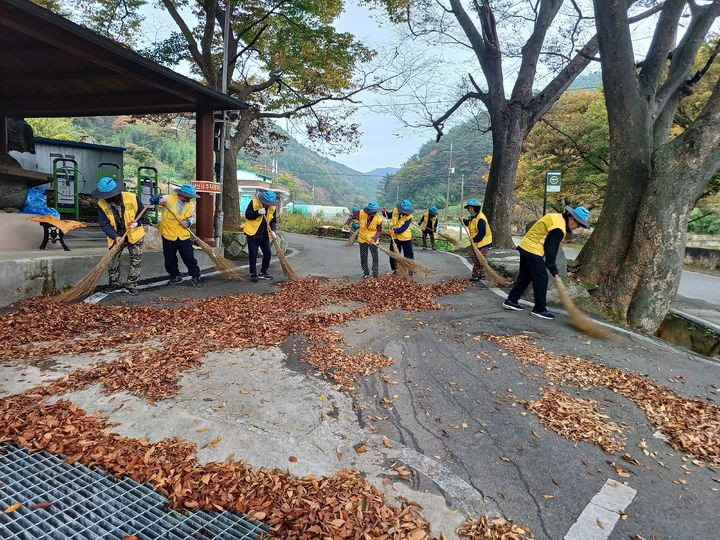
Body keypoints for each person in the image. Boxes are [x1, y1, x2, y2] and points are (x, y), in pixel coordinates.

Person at [503, 206, 591, 320]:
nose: (577, 228)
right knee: (542, 279)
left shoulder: (556, 217)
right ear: (572, 219)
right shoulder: (558, 228)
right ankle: (539, 309)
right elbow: (551, 248)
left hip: (525, 246)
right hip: (533, 251)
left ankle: (511, 300)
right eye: (578, 224)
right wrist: (551, 265)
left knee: (525, 277)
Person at [94, 176, 147, 295]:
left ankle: (132, 284)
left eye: (110, 196)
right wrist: (115, 236)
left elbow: (143, 214)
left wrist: (137, 223)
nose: (108, 199)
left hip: (134, 234)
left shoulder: (132, 197)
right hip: (116, 236)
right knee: (112, 260)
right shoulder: (101, 204)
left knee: (136, 260)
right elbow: (104, 223)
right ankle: (114, 283)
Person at [151, 183, 202, 288]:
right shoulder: (168, 199)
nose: (190, 199)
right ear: (182, 194)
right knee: (170, 259)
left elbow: (193, 217)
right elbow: (154, 200)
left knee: (189, 257)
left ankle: (196, 276)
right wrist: (156, 200)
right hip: (168, 234)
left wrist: (188, 222)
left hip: (183, 236)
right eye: (188, 197)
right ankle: (175, 276)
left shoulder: (190, 205)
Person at [244, 190, 278, 282]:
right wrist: (258, 212)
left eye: (270, 203)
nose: (268, 205)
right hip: (252, 233)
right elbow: (247, 215)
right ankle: (253, 274)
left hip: (265, 234)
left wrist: (273, 231)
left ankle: (263, 272)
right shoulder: (254, 202)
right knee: (253, 254)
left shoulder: (273, 207)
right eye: (267, 203)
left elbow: (273, 220)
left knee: (268, 253)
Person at [462, 199, 493, 282]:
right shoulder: (473, 217)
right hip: (477, 242)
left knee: (479, 259)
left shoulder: (481, 218)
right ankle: (481, 274)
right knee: (477, 258)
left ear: (472, 208)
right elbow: (468, 223)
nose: (468, 210)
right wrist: (463, 221)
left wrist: (474, 239)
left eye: (468, 208)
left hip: (483, 242)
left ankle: (476, 275)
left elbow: (482, 233)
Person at [382, 199, 415, 273]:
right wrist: (384, 212)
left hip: (405, 238)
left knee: (408, 254)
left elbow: (403, 228)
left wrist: (395, 231)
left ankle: (410, 269)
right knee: (394, 254)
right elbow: (389, 215)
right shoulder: (395, 210)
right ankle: (396, 269)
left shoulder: (409, 216)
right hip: (395, 237)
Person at [358, 201, 383, 278]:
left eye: (374, 212)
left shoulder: (379, 218)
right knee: (363, 257)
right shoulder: (361, 213)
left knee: (375, 257)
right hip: (362, 238)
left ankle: (375, 274)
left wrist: (374, 239)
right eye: (371, 212)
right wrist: (346, 224)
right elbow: (352, 216)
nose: (373, 213)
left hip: (373, 240)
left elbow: (379, 231)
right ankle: (366, 273)